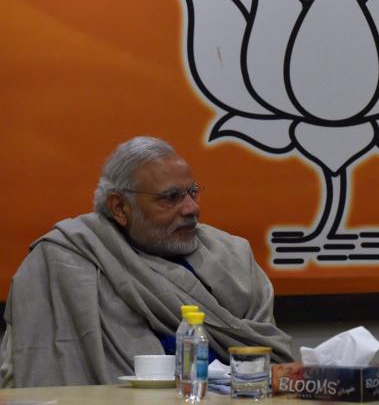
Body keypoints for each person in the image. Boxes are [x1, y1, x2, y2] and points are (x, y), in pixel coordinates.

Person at [0, 137, 293, 387]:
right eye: (171, 198)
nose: (192, 208)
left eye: (192, 193)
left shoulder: (233, 257)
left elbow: (270, 360)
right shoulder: (66, 260)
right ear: (120, 208)